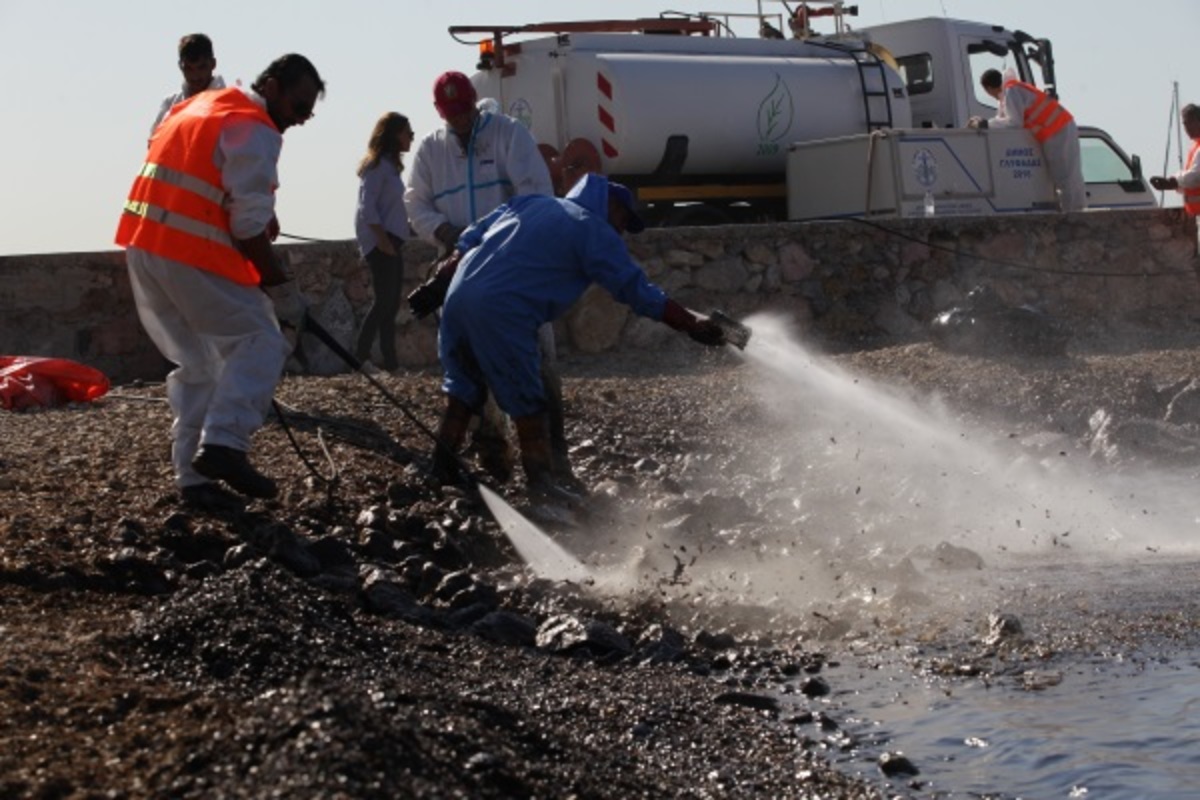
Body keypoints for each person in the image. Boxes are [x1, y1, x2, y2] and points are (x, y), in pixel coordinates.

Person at [407, 173, 727, 504]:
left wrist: (438, 284)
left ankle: (441, 468)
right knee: (527, 399)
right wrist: (690, 322)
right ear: (609, 203)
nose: (620, 231)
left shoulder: (532, 203)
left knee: (463, 390)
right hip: (503, 309)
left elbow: (471, 238)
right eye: (622, 220)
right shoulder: (591, 227)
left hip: (458, 295)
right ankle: (542, 486)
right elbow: (636, 290)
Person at [116, 53, 325, 510]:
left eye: (308, 113)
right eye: (298, 107)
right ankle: (225, 445)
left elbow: (204, 184)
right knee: (262, 340)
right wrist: (282, 291)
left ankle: (193, 479)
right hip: (187, 253)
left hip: (145, 246)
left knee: (199, 364)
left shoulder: (200, 106)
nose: (300, 120)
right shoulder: (255, 127)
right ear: (271, 87)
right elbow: (247, 226)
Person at [404, 70, 568, 484]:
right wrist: (446, 233)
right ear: (440, 112)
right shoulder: (429, 151)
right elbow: (416, 203)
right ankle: (492, 452)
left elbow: (534, 194)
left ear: (474, 103)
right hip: (456, 268)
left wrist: (491, 237)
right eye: (451, 113)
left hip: (511, 264)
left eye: (464, 111)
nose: (459, 120)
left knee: (539, 359)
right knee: (465, 363)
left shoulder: (509, 135)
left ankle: (553, 458)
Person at [969, 68, 1086, 212]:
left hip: (1058, 129)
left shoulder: (1012, 92)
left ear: (988, 88)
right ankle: (1072, 212)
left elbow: (1014, 122)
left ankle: (1074, 215)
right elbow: (1008, 119)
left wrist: (986, 124)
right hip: (1056, 129)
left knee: (1065, 177)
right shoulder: (1012, 92)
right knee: (1064, 177)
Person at [354, 112, 415, 371]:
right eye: (406, 132)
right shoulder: (377, 166)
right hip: (382, 241)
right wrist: (381, 241)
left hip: (392, 240)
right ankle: (360, 358)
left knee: (390, 305)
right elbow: (367, 208)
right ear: (393, 135)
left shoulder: (390, 167)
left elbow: (391, 209)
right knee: (383, 303)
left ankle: (391, 363)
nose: (411, 136)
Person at [149, 33, 226, 142]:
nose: (195, 75)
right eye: (189, 68)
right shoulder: (170, 104)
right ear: (180, 66)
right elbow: (154, 145)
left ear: (213, 64)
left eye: (201, 67)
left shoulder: (227, 105)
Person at [1150, 103, 1200, 218]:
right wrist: (1173, 184)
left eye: (1190, 122)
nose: (1187, 127)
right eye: (1184, 123)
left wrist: (1173, 182)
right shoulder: (1195, 147)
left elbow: (1196, 177)